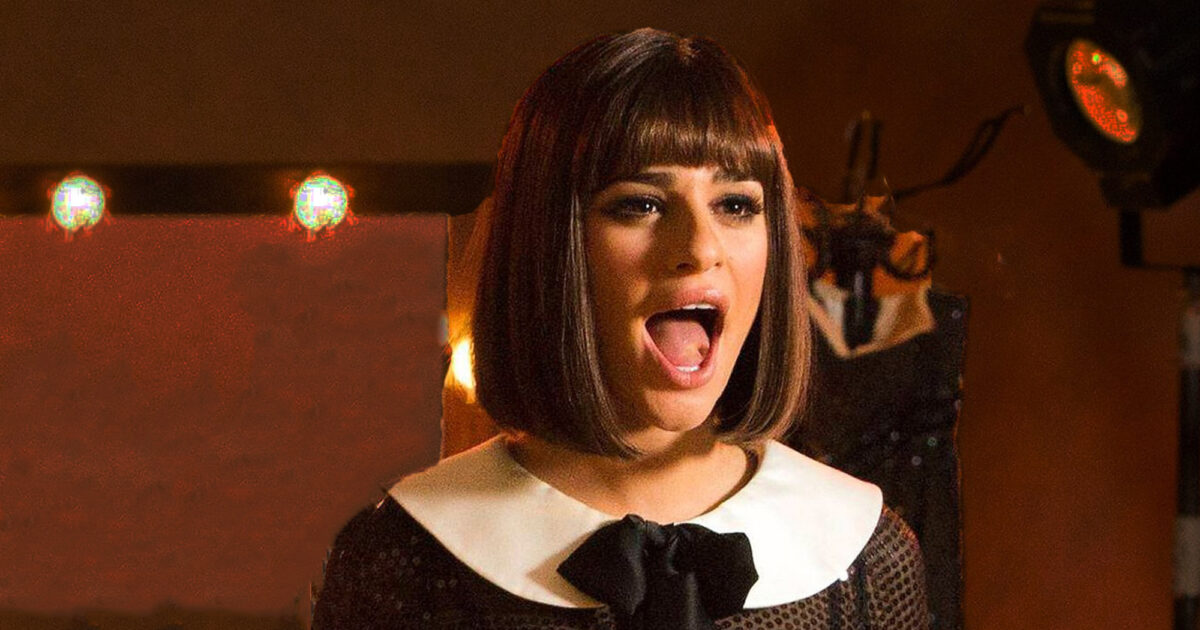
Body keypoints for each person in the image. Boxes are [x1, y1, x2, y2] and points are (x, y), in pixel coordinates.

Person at [311, 27, 929, 630]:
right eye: (641, 204)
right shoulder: (403, 560)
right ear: (548, 244)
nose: (700, 247)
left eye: (736, 204)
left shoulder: (866, 556)